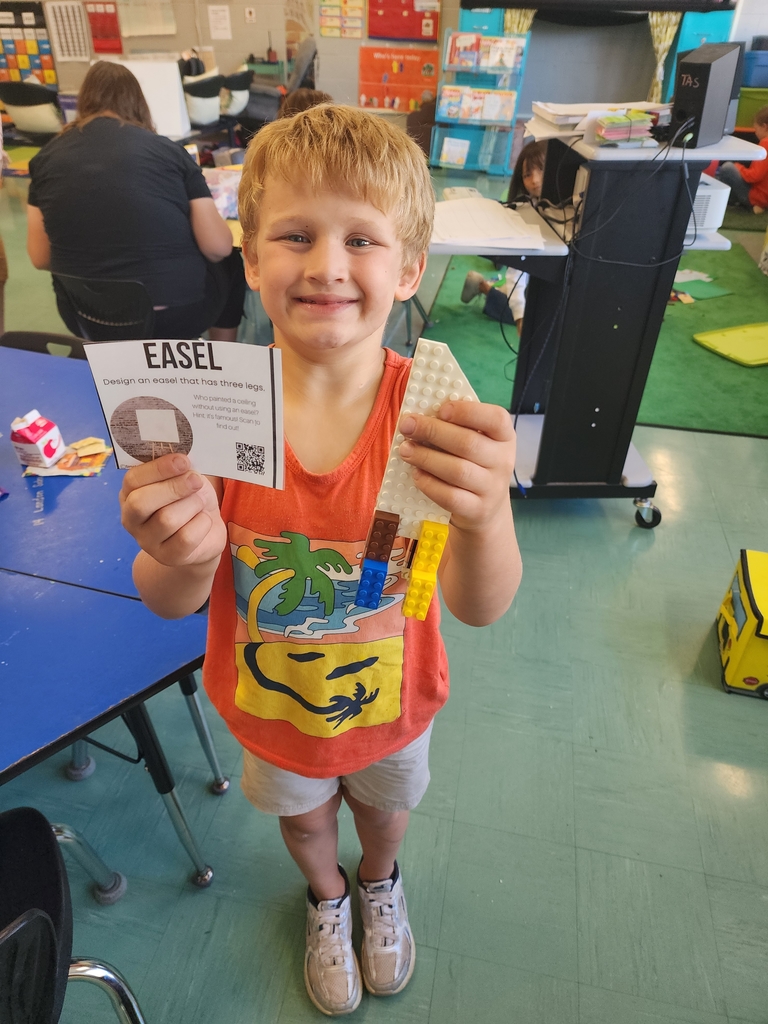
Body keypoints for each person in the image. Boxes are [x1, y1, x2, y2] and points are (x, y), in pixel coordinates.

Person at [119, 105, 523, 1016]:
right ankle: (327, 896)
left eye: (362, 240)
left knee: (384, 813)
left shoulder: (434, 419)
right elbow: (167, 599)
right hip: (275, 714)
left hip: (395, 706)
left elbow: (479, 604)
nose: (327, 265)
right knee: (303, 823)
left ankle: (378, 881)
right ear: (250, 257)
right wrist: (179, 551)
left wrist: (488, 514)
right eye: (295, 236)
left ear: (410, 267)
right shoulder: (212, 415)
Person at [26, 60, 246, 340]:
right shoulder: (169, 153)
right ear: (138, 102)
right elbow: (217, 248)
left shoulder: (44, 159)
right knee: (230, 261)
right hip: (171, 318)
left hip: (84, 316)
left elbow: (40, 257)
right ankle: (220, 360)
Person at [460, 140, 547, 332]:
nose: (535, 180)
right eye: (527, 175)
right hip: (526, 281)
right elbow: (518, 269)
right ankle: (482, 285)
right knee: (524, 315)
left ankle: (492, 287)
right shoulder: (527, 212)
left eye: (541, 169)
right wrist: (520, 316)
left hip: (532, 282)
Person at [716, 105, 768, 215]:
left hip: (759, 197)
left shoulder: (765, 143)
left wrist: (739, 167)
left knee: (728, 168)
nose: (755, 133)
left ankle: (732, 201)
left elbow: (754, 176)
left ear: (764, 126)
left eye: (756, 129)